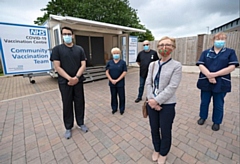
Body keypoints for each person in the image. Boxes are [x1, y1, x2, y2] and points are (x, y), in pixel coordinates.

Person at [146, 36, 182, 164]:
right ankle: (156, 148)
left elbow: (172, 86)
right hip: (151, 103)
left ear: (173, 48)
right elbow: (148, 83)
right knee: (154, 128)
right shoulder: (152, 64)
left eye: (168, 45)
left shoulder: (176, 66)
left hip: (167, 104)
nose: (164, 47)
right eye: (161, 45)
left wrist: (157, 101)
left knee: (165, 130)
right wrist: (152, 101)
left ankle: (163, 152)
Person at [196, 32, 239, 131]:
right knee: (204, 102)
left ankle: (217, 122)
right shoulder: (206, 52)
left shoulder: (230, 52)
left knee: (218, 104)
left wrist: (215, 75)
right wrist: (209, 75)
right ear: (213, 40)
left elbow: (232, 66)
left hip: (221, 82)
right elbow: (201, 65)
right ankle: (203, 117)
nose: (220, 41)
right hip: (206, 81)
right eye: (218, 38)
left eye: (222, 39)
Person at [51, 26, 88, 139]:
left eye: (69, 34)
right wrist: (69, 79)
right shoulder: (57, 49)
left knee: (79, 102)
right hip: (65, 83)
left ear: (73, 35)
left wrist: (76, 77)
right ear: (62, 36)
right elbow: (57, 67)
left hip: (78, 81)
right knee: (67, 104)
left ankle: (81, 122)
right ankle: (68, 127)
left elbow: (83, 65)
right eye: (64, 34)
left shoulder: (79, 49)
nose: (67, 36)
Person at [106, 47, 127, 115]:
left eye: (117, 53)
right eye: (114, 53)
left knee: (122, 96)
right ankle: (114, 108)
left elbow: (124, 72)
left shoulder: (123, 63)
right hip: (112, 83)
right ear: (112, 54)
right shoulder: (109, 62)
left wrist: (117, 80)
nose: (116, 54)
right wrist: (111, 80)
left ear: (120, 54)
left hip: (120, 83)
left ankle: (122, 109)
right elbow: (107, 72)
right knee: (113, 96)